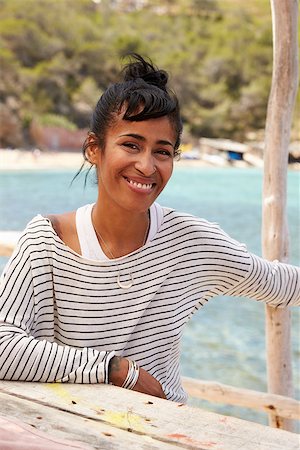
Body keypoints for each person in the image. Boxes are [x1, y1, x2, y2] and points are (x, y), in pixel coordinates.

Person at [0, 54, 299, 403]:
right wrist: (116, 370)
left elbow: (282, 283)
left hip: (164, 434)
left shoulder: (192, 242)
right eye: (131, 145)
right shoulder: (46, 242)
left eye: (163, 151)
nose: (146, 166)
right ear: (94, 149)